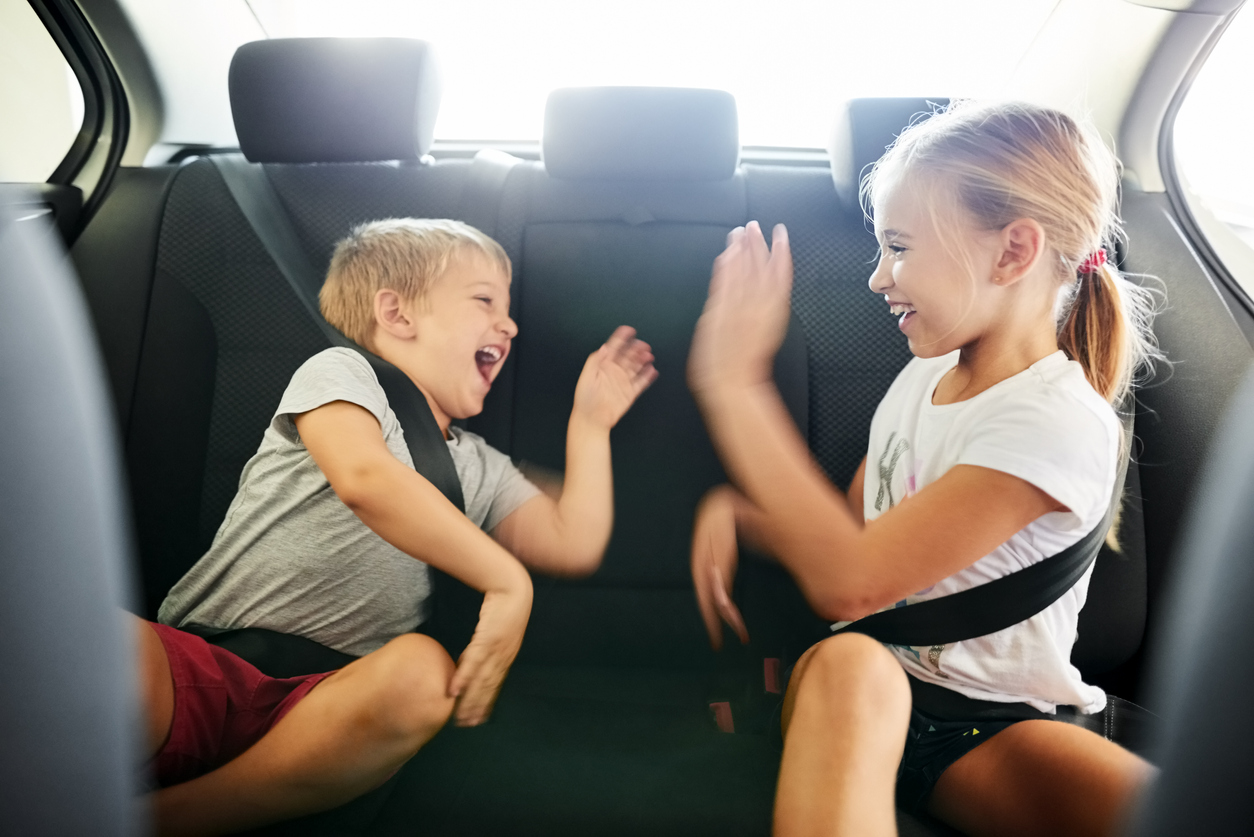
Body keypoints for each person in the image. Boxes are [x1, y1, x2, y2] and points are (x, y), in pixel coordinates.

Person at [687, 102, 1160, 836]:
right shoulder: (923, 373)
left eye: (899, 248)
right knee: (856, 666)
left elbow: (853, 573)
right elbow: (853, 542)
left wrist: (735, 382)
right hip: (857, 688)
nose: (879, 279)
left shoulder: (1055, 421)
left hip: (994, 726)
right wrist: (744, 516)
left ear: (1012, 253)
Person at [149, 219, 655, 827]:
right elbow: (364, 477)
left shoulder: (478, 466)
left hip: (338, 705)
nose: (510, 323)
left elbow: (574, 542)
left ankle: (171, 817)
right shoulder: (342, 374)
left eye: (509, 307)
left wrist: (591, 426)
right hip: (208, 665)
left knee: (424, 676)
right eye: (485, 300)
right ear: (397, 314)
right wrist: (505, 580)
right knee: (96, 642)